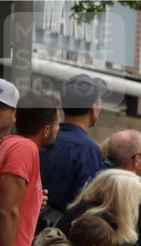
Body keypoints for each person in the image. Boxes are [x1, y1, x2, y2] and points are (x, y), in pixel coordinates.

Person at [0, 91, 60, 246]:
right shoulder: (25, 149)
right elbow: (6, 212)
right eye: (57, 124)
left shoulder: (8, 144)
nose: (59, 129)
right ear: (46, 130)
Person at [39, 73, 106, 215]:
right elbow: (86, 204)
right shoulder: (88, 149)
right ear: (93, 109)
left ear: (62, 106)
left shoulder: (43, 137)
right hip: (64, 227)